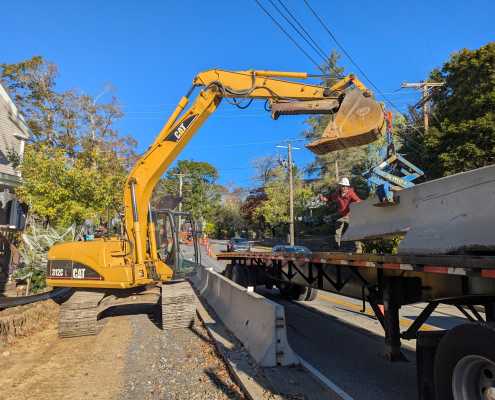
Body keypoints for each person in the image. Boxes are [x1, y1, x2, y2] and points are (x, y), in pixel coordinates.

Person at [319, 177, 362, 251]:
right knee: (337, 231)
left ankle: (358, 248)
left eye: (346, 186)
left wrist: (357, 204)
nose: (344, 188)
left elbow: (358, 201)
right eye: (343, 186)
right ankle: (336, 247)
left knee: (353, 230)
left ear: (348, 187)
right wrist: (323, 199)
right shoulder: (337, 194)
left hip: (350, 215)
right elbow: (329, 198)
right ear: (340, 186)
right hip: (341, 214)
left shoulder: (351, 193)